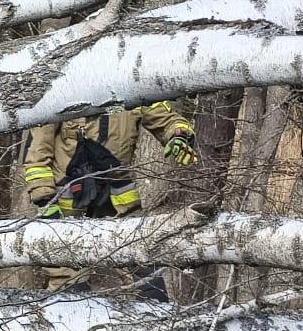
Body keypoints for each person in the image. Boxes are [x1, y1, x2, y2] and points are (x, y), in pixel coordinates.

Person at [21, 103, 197, 295]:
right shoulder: (64, 92)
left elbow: (165, 118)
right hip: (68, 203)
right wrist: (45, 201)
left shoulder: (131, 87)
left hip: (119, 198)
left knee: (146, 272)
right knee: (69, 285)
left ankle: (155, 319)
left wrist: (180, 134)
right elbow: (36, 154)